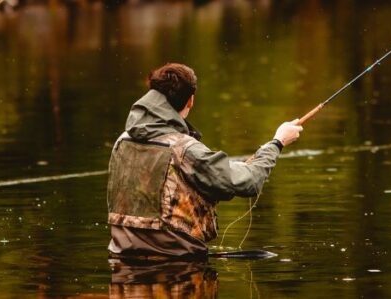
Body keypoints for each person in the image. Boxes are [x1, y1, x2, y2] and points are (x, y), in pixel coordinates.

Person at [107, 63, 303, 261]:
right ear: (190, 101)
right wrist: (277, 142)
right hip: (177, 265)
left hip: (121, 260)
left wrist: (238, 166)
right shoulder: (185, 149)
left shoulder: (122, 141)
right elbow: (248, 182)